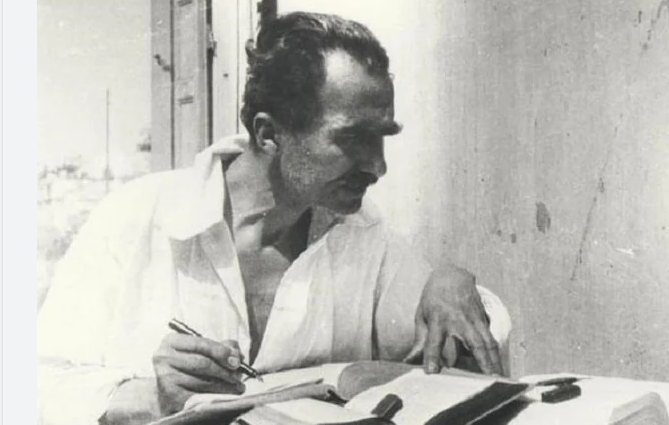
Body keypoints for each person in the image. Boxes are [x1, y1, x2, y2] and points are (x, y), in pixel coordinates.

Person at [37, 12, 511, 425]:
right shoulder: (136, 217)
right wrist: (155, 398)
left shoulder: (362, 234)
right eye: (352, 138)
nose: (377, 166)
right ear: (268, 134)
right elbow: (36, 387)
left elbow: (448, 345)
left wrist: (450, 281)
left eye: (383, 136)